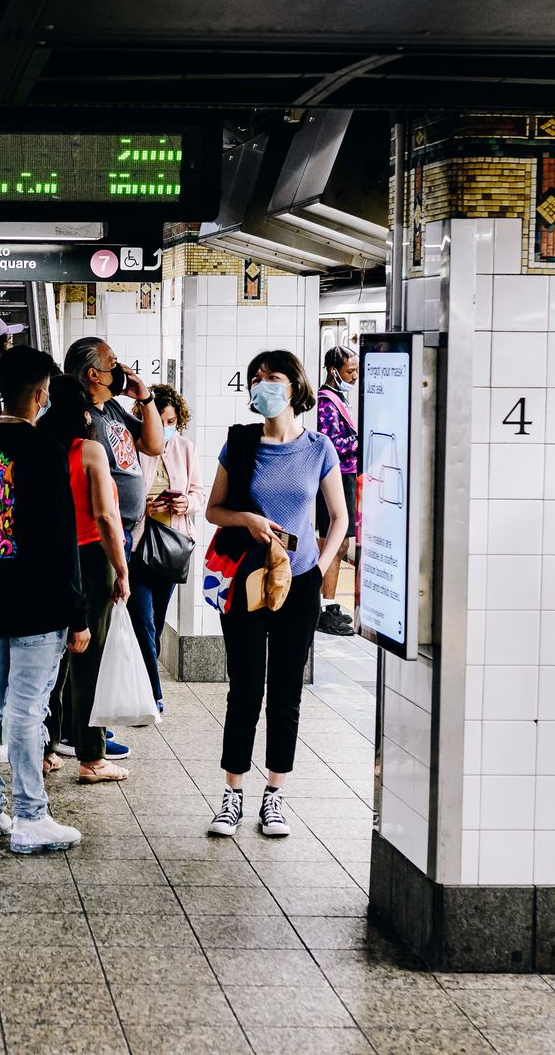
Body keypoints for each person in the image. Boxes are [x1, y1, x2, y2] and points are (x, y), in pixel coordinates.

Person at [204, 349, 348, 839]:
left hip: (299, 583)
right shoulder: (240, 444)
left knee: (286, 691)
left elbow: (339, 517)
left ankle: (275, 795)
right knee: (245, 688)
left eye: (273, 377)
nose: (262, 384)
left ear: (295, 386)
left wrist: (318, 570)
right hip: (247, 582)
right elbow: (214, 510)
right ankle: (231, 794)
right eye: (256, 378)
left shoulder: (319, 448)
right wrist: (247, 519)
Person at [0, 346, 88, 854]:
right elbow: (61, 540)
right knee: (27, 709)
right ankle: (31, 816)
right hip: (37, 601)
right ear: (40, 395)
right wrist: (77, 612)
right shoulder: (44, 450)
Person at [65, 338, 165, 753]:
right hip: (95, 536)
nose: (119, 368)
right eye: (112, 363)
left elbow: (154, 445)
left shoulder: (115, 409)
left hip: (120, 532)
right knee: (90, 637)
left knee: (99, 634)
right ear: (93, 373)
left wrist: (145, 399)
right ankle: (82, 736)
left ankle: (85, 728)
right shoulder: (78, 417)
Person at [39, 375, 131, 783]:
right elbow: (106, 517)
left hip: (48, 558)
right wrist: (122, 570)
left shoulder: (39, 445)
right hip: (91, 559)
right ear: (83, 412)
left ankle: (44, 749)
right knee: (87, 657)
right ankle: (92, 757)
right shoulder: (89, 450)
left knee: (50, 656)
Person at [130, 384, 205, 720]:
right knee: (143, 621)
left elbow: (199, 494)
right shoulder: (133, 447)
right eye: (159, 422)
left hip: (171, 546)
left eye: (171, 422)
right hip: (138, 546)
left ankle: (142, 685)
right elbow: (120, 495)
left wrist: (185, 502)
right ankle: (152, 693)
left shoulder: (186, 449)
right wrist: (142, 508)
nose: (165, 428)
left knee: (156, 623)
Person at [314, 347, 359, 637]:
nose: (354, 377)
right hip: (336, 478)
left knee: (340, 544)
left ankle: (327, 603)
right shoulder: (326, 402)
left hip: (346, 476)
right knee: (333, 541)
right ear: (334, 370)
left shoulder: (339, 399)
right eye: (349, 371)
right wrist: (359, 440)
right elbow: (330, 443)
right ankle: (324, 606)